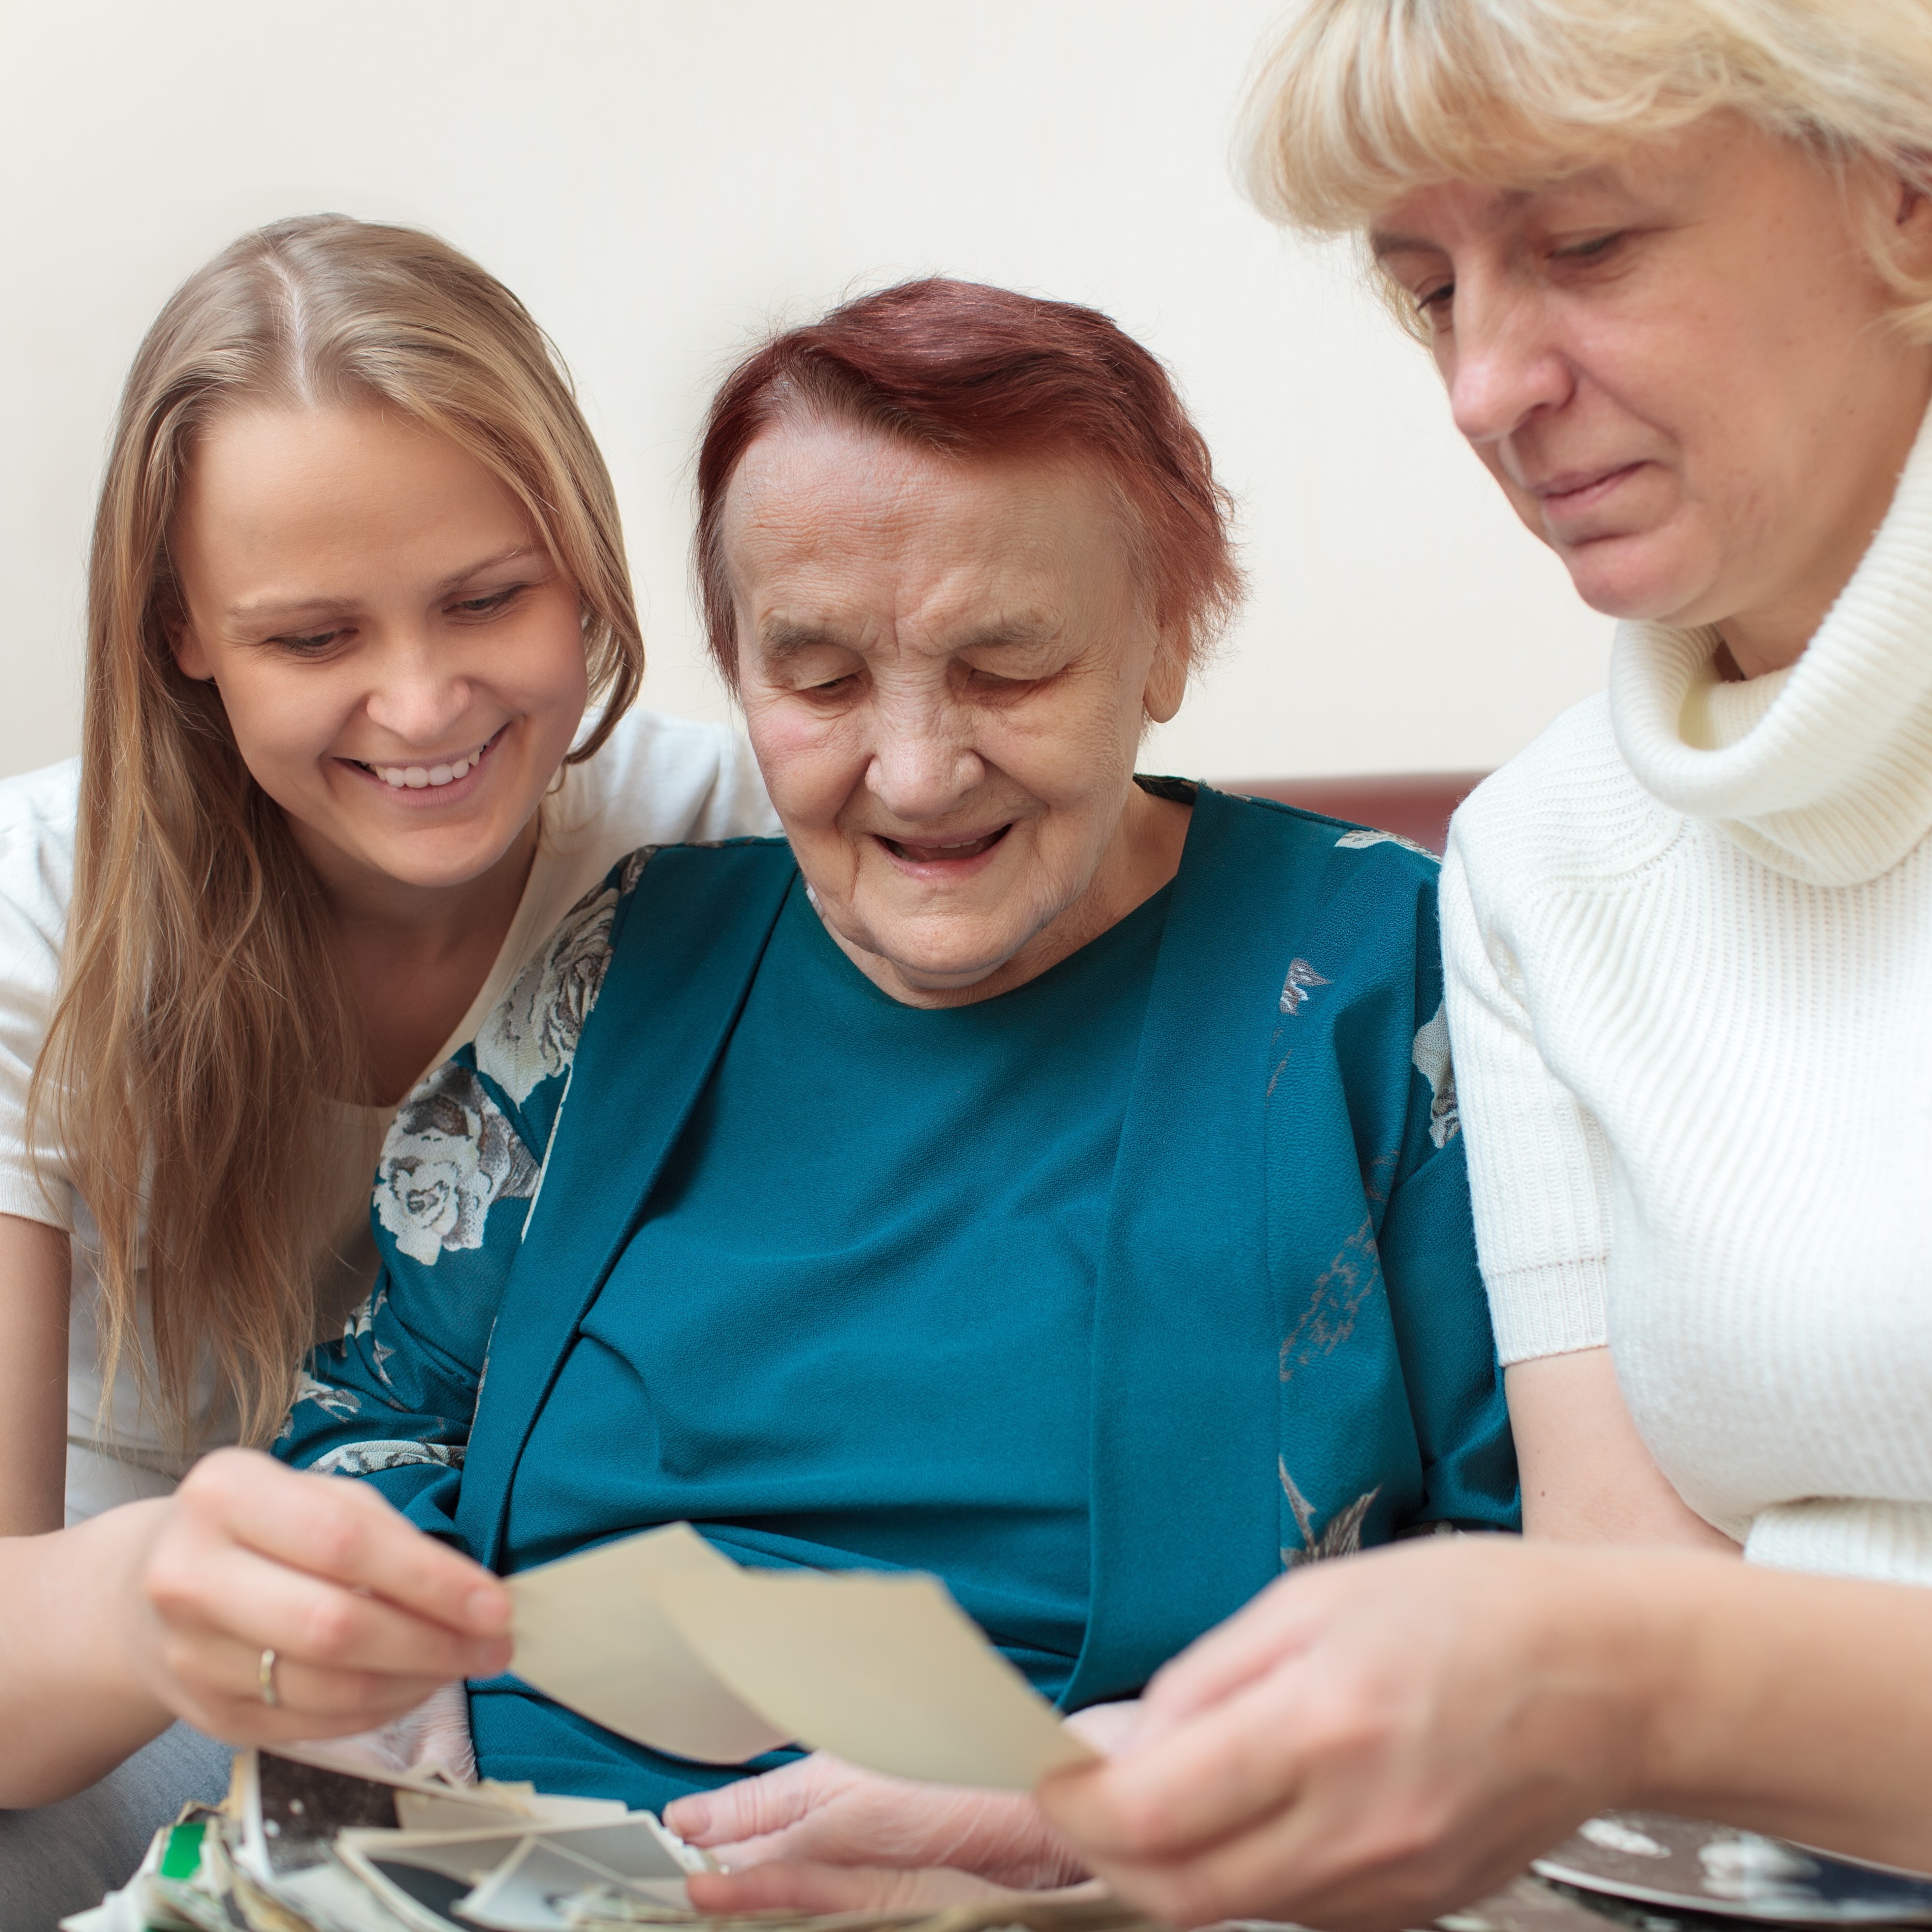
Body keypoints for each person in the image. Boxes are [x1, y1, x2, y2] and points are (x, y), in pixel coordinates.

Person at [118, 277, 1514, 1823]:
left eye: (1009, 667)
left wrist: (1089, 1820)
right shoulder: (624, 961)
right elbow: (372, 1413)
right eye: (822, 678)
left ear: (1167, 640)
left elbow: (1539, 1585)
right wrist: (402, 1734)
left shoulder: (1381, 982)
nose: (914, 772)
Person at [987, 2, 1932, 1926]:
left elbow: (1621, 1673)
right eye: (1427, 293)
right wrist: (1088, 1820)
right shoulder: (1535, 863)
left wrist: (1606, 1680)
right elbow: (1634, 1640)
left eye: (1584, 246)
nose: (1486, 386)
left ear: (1906, 202)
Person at [0, 214, 775, 1925]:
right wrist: (178, 1591)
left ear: (584, 559)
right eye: (311, 639)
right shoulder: (35, 913)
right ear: (181, 635)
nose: (421, 705)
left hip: (584, 1719)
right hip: (131, 1715)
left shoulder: (735, 845)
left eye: (490, 599)